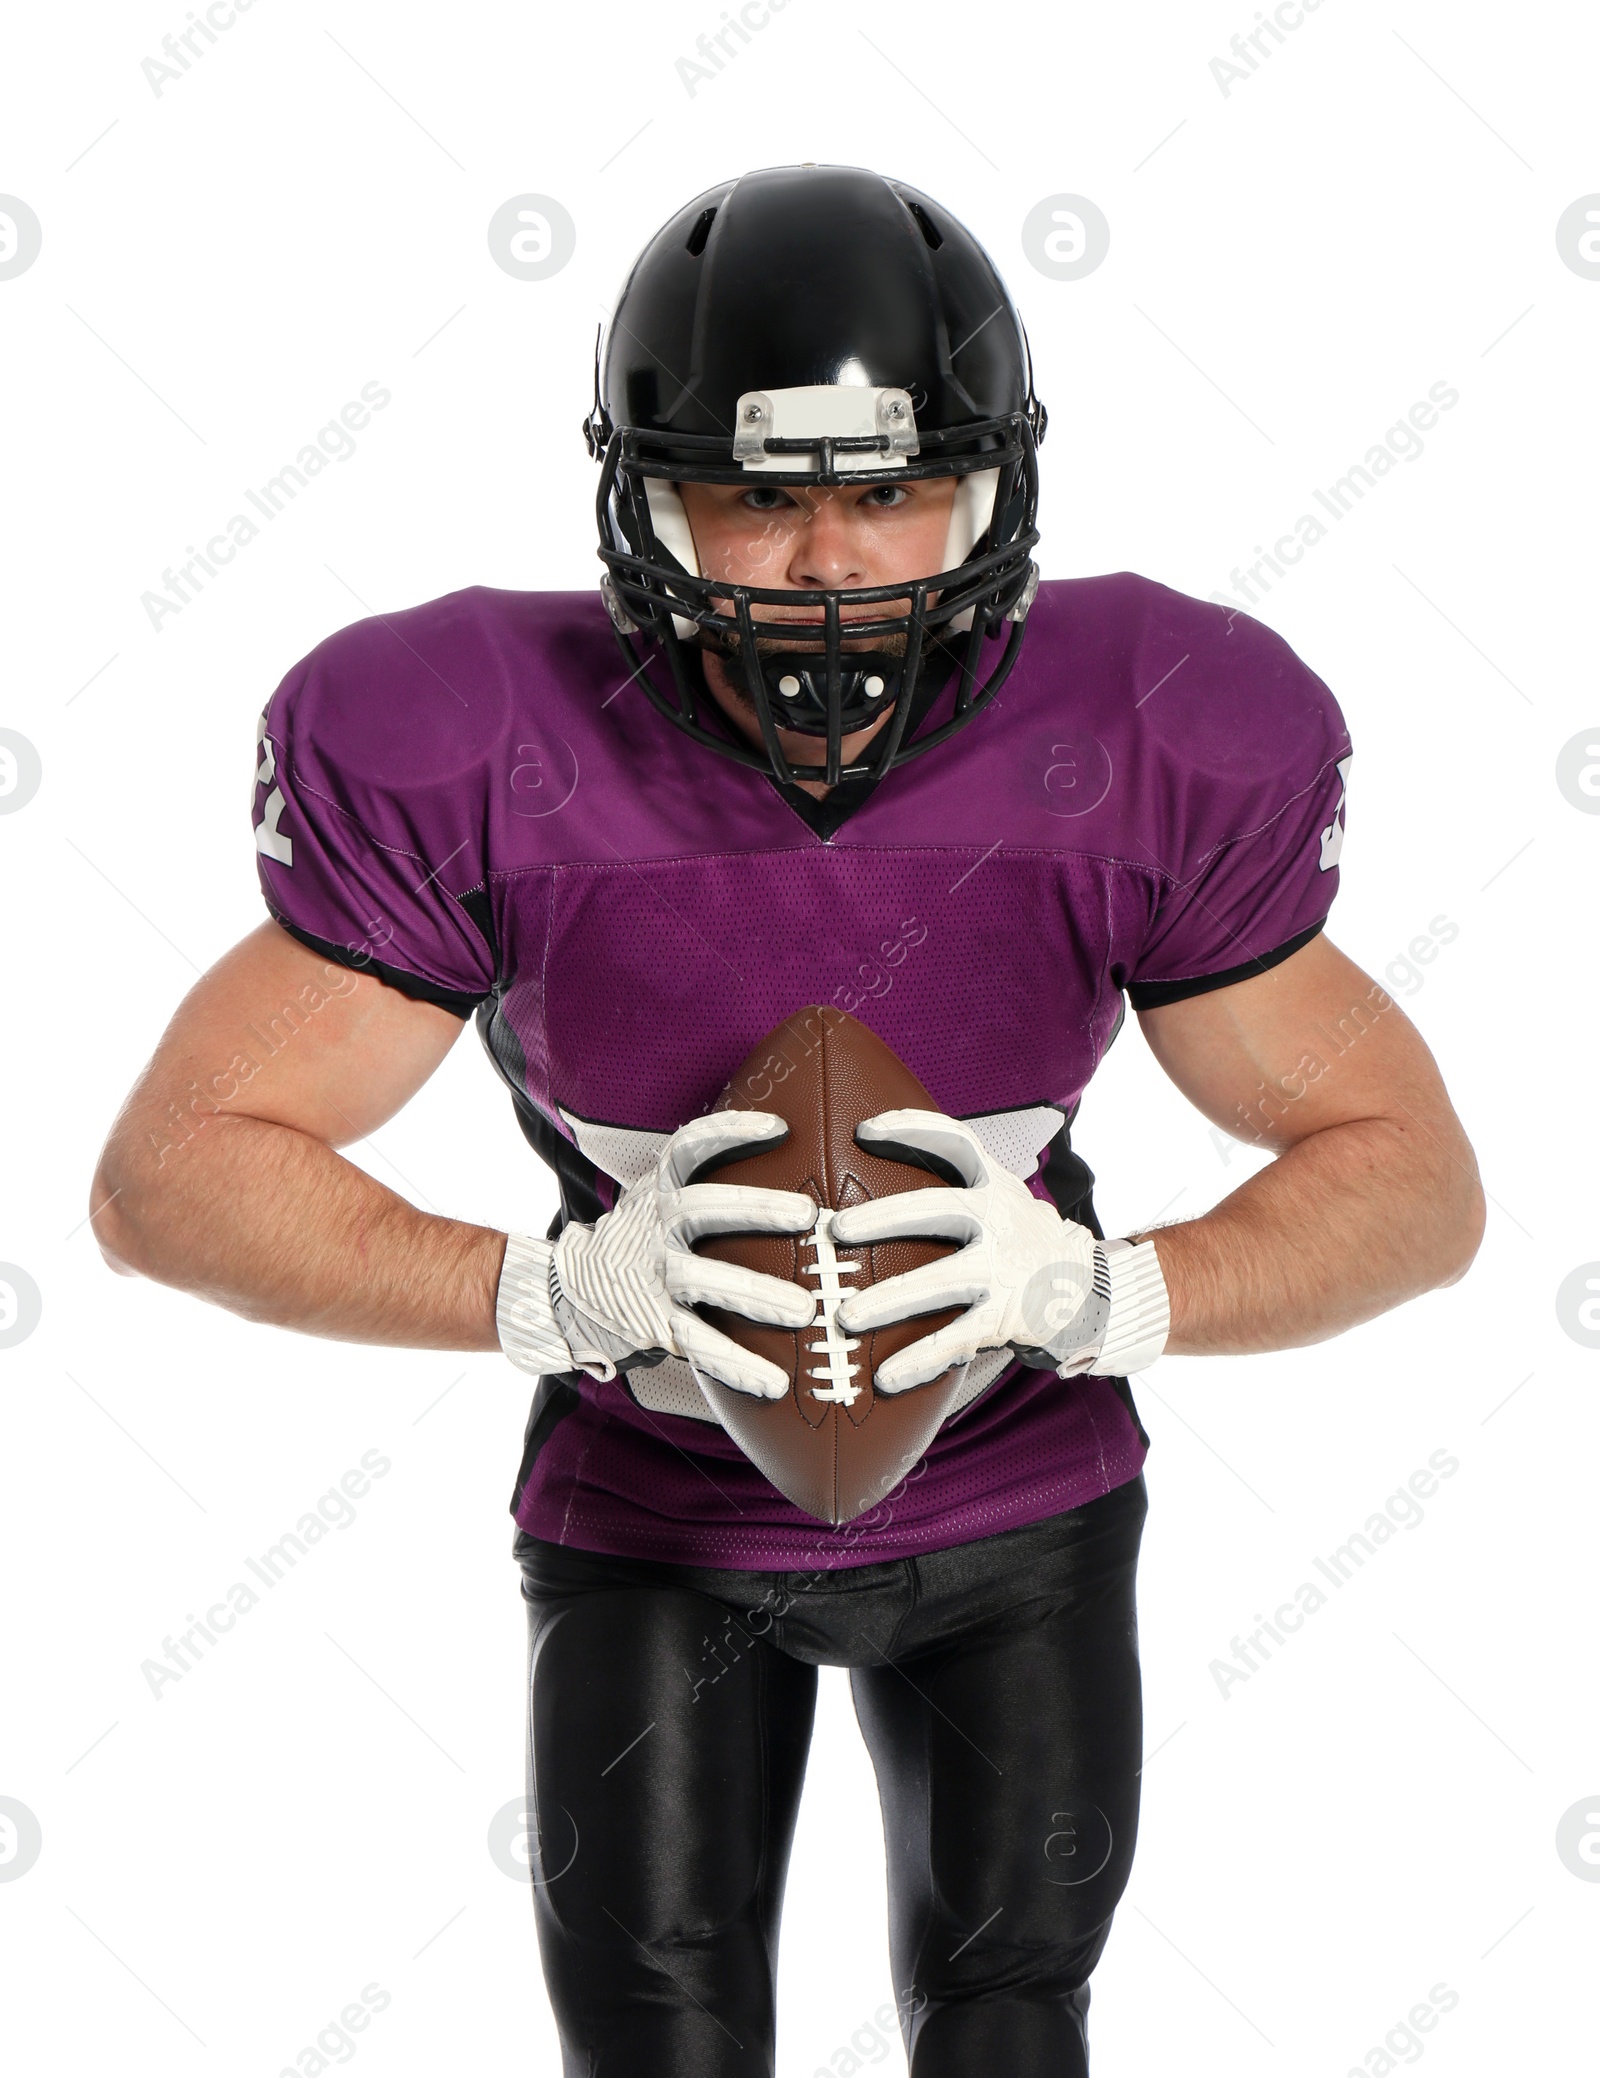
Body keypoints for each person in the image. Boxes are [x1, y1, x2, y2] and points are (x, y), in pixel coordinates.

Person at [89, 163, 1484, 2076]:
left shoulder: (1146, 730)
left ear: (994, 489)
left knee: (1012, 2029)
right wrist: (554, 1297)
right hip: (655, 1516)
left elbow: (1417, 1184)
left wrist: (1095, 1297)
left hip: (1022, 1504)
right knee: (659, 2046)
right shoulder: (478, 743)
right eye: (759, 494)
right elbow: (173, 1176)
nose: (832, 561)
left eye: (890, 486)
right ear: (644, 492)